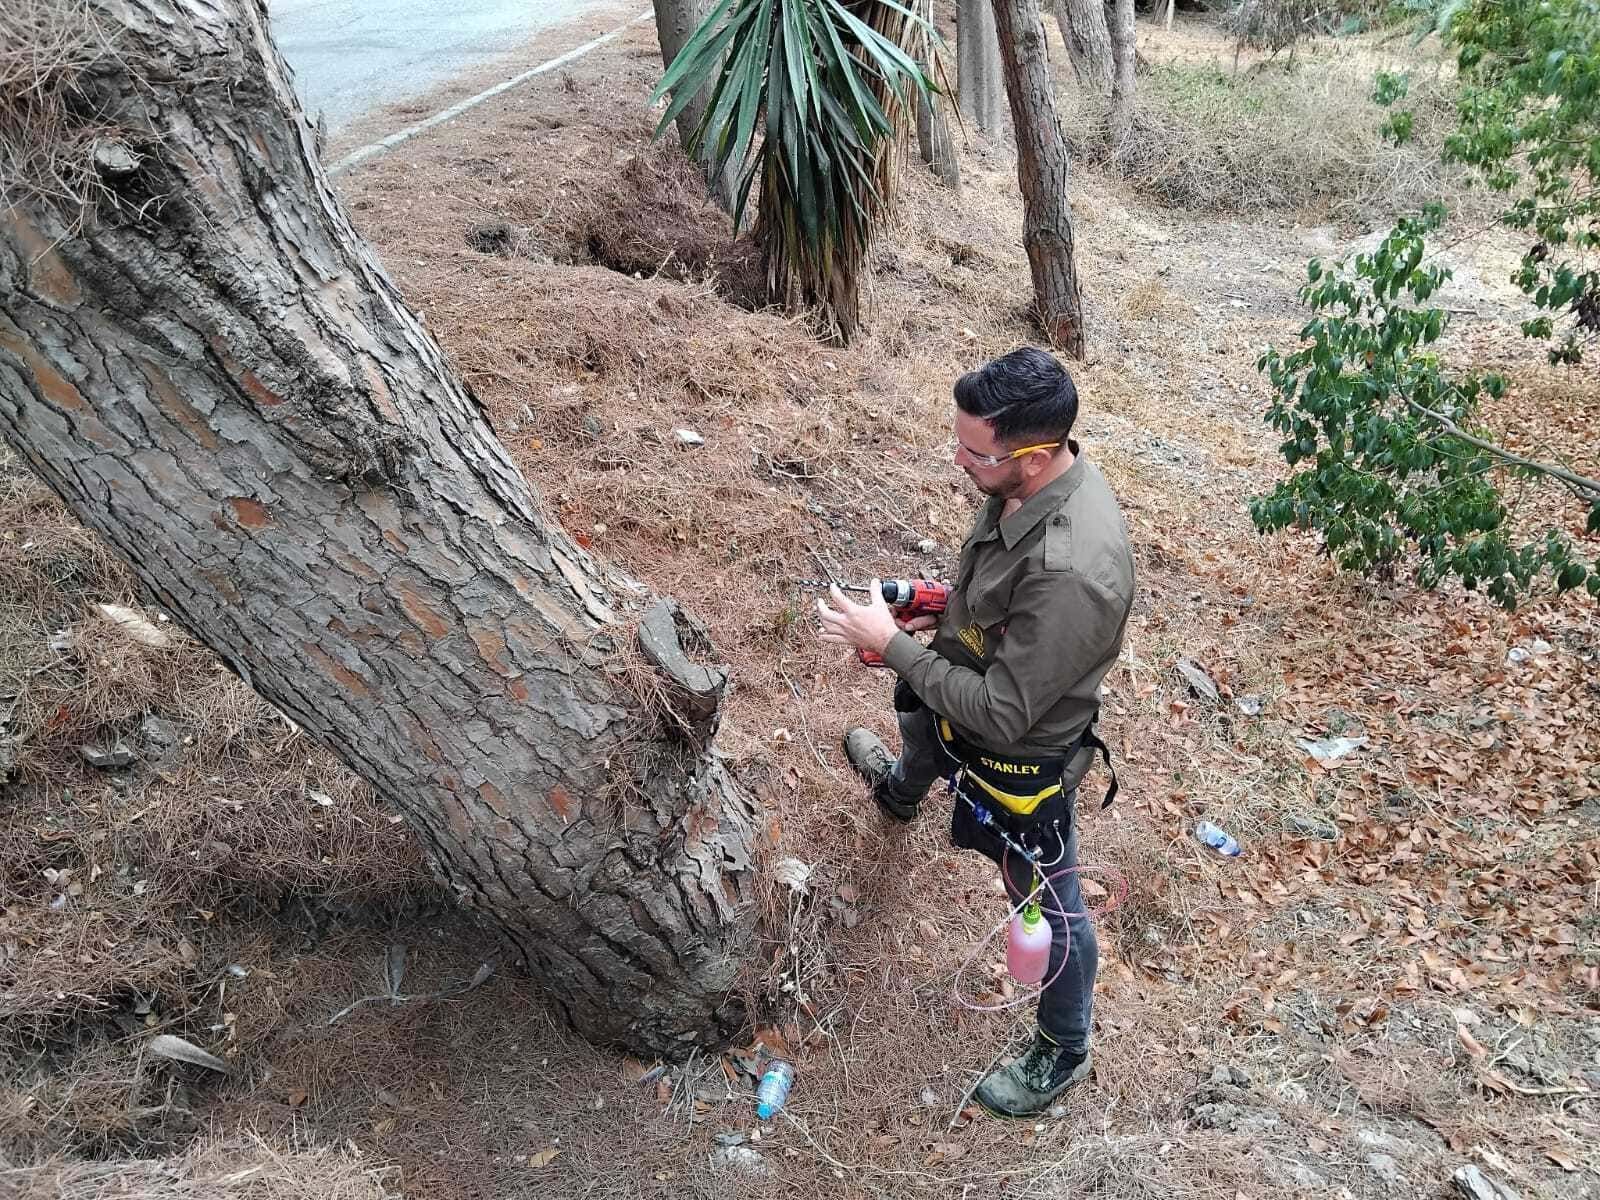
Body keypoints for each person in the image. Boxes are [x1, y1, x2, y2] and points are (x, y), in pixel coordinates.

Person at [815, 347, 1134, 1119]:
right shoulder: (1020, 485)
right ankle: (901, 791)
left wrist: (893, 645)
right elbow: (995, 599)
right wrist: (939, 610)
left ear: (1034, 455)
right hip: (961, 705)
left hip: (1016, 761)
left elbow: (1000, 713)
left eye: (974, 452)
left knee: (1046, 899)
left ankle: (1064, 1046)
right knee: (922, 722)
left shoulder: (1074, 571)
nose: (959, 460)